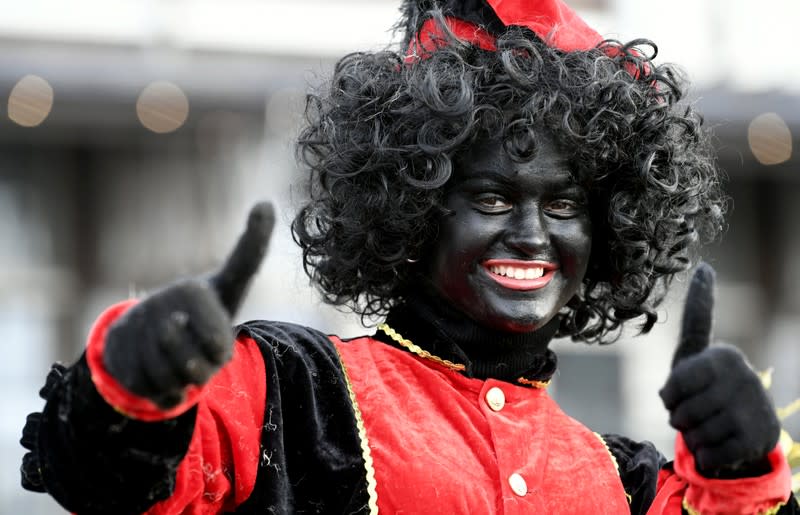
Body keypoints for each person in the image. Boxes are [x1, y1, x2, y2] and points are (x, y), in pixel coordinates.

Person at [20, 0, 797, 513]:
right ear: (415, 209)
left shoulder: (622, 479)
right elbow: (100, 478)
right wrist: (132, 380)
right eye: (492, 198)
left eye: (562, 205)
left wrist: (741, 466)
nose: (531, 233)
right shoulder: (290, 393)